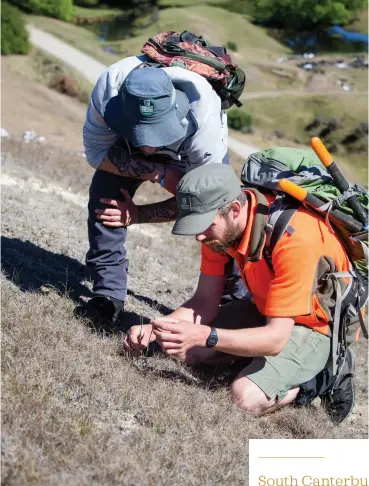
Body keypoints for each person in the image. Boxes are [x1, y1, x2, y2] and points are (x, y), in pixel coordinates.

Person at [125, 163, 356, 422]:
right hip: (266, 309)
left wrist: (206, 336)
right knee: (188, 352)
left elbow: (275, 339)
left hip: (316, 326)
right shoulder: (218, 230)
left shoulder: (296, 240)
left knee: (245, 397)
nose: (199, 237)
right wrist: (158, 328)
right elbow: (204, 302)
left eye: (205, 225)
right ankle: (253, 362)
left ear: (235, 210)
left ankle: (323, 376)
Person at [78, 55, 246, 326]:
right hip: (125, 141)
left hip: (189, 153)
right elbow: (97, 154)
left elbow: (206, 204)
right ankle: (107, 295)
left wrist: (138, 214)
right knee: (105, 198)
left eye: (156, 136)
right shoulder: (108, 89)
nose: (149, 149)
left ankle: (234, 306)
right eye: (141, 136)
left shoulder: (204, 120)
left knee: (222, 224)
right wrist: (158, 172)